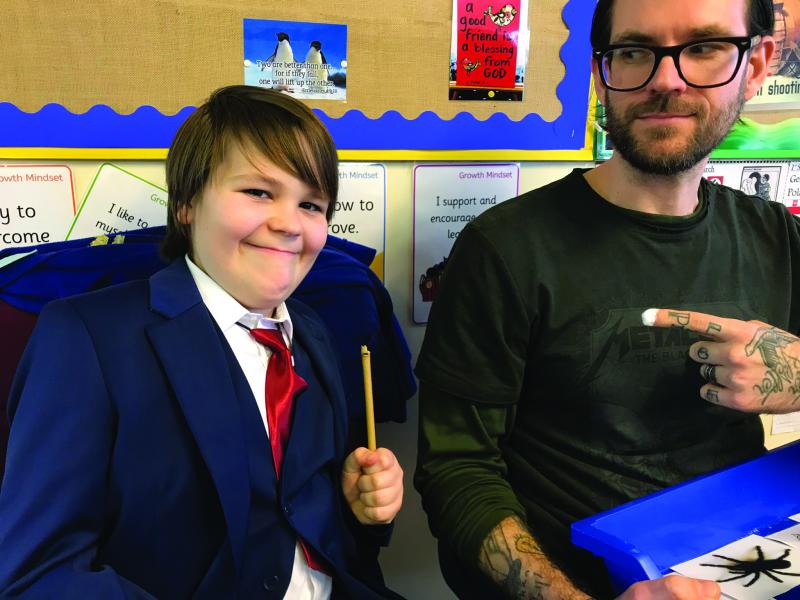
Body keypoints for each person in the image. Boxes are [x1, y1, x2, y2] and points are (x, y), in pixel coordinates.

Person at [414, 1, 799, 598]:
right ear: (601, 73)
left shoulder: (781, 239)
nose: (666, 80)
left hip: (752, 572)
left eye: (703, 48)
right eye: (635, 51)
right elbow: (456, 469)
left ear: (755, 65)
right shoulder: (505, 248)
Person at [0, 85, 404, 599]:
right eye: (258, 192)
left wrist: (360, 508)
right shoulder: (85, 338)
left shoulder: (316, 333)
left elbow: (315, 531)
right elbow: (38, 573)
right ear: (187, 203)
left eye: (311, 204)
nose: (288, 224)